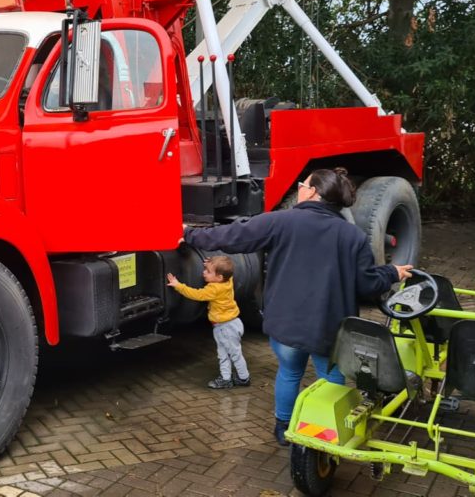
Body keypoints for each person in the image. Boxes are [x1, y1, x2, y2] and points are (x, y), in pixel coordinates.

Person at [182, 168, 413, 446]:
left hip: (286, 325)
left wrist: (190, 235)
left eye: (303, 184)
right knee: (330, 378)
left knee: (289, 373)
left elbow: (233, 236)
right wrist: (392, 272)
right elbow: (367, 285)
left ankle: (283, 428)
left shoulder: (281, 221)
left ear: (313, 191)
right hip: (329, 329)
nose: (301, 187)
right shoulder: (352, 237)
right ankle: (327, 434)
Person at [166, 256, 250, 389]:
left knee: (229, 354)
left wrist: (178, 285)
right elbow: (228, 273)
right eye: (205, 269)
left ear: (219, 277)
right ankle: (230, 378)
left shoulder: (214, 289)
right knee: (230, 353)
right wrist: (213, 265)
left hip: (225, 328)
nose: (204, 272)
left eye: (208, 271)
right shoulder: (228, 282)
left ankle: (242, 378)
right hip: (233, 324)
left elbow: (196, 294)